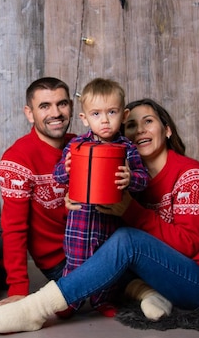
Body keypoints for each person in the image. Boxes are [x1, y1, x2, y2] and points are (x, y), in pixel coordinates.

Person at [0, 98, 199, 333]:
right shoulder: (129, 177)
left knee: (127, 241)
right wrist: (73, 197)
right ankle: (145, 292)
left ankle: (36, 309)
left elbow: (188, 244)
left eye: (148, 122)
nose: (140, 130)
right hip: (164, 277)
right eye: (131, 125)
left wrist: (131, 211)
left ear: (167, 130)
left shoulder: (191, 176)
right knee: (105, 238)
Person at [52, 78, 149, 317]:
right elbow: (58, 176)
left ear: (124, 115)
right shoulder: (76, 145)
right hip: (80, 222)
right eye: (96, 114)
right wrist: (65, 169)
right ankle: (69, 302)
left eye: (112, 112)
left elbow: (143, 179)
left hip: (111, 222)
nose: (104, 120)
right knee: (75, 263)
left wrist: (130, 178)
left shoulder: (127, 148)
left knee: (108, 265)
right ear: (85, 118)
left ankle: (102, 300)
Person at [0, 77, 75, 306]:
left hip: (92, 248)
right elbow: (14, 229)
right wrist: (18, 290)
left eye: (62, 104)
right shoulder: (17, 160)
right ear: (30, 114)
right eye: (45, 106)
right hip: (59, 261)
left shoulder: (81, 146)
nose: (56, 113)